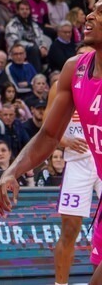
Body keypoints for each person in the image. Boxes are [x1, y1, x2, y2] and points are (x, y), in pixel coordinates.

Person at [41, 63, 100, 285]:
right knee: (70, 228)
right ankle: (60, 283)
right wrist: (65, 141)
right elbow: (48, 127)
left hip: (100, 157)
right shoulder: (63, 84)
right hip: (78, 163)